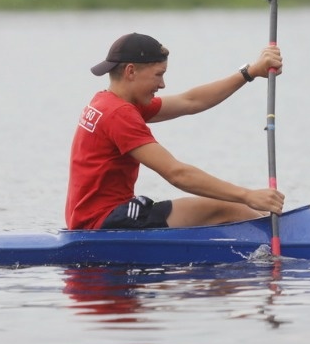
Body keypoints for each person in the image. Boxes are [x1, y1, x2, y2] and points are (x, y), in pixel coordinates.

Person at [65, 32, 285, 230]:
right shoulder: (119, 114)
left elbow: (190, 101)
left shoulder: (106, 101)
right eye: (158, 74)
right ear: (130, 71)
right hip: (101, 222)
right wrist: (248, 195)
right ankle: (284, 240)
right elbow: (176, 174)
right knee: (230, 208)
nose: (162, 85)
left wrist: (251, 72)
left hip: (93, 217)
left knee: (235, 206)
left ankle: (271, 223)